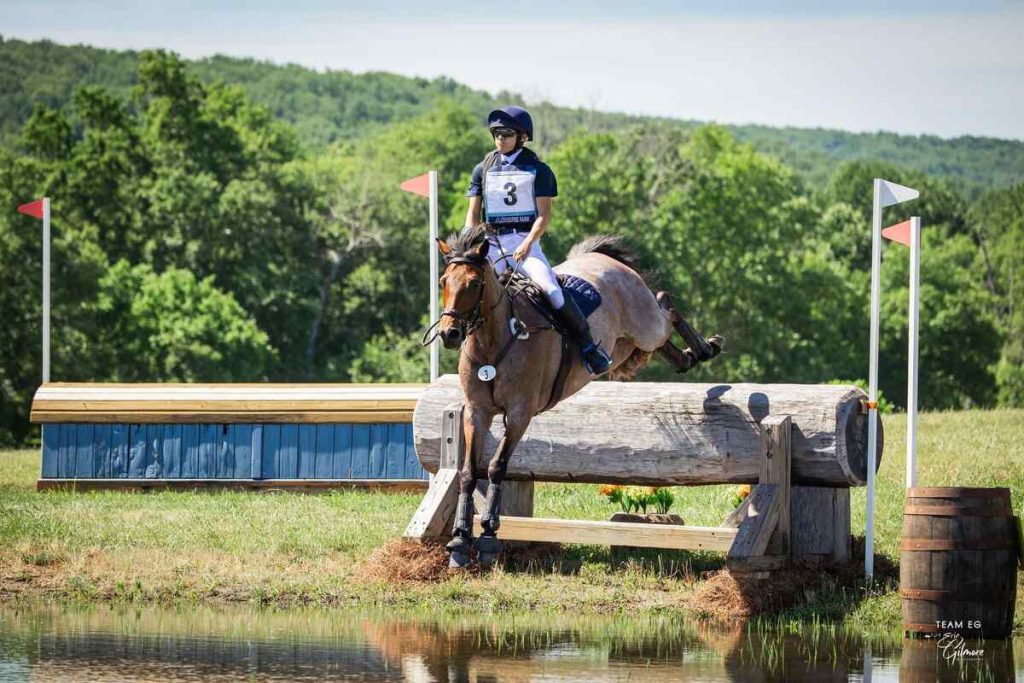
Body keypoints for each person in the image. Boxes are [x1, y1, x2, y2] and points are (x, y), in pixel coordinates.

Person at [465, 105, 612, 375]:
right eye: (496, 133)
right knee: (468, 288)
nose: (500, 138)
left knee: (551, 289)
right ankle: (464, 344)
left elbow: (543, 216)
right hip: (492, 242)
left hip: (525, 241)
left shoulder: (538, 170)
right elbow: (472, 216)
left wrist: (527, 243)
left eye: (507, 133)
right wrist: (469, 247)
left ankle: (588, 347)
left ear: (522, 136)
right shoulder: (482, 169)